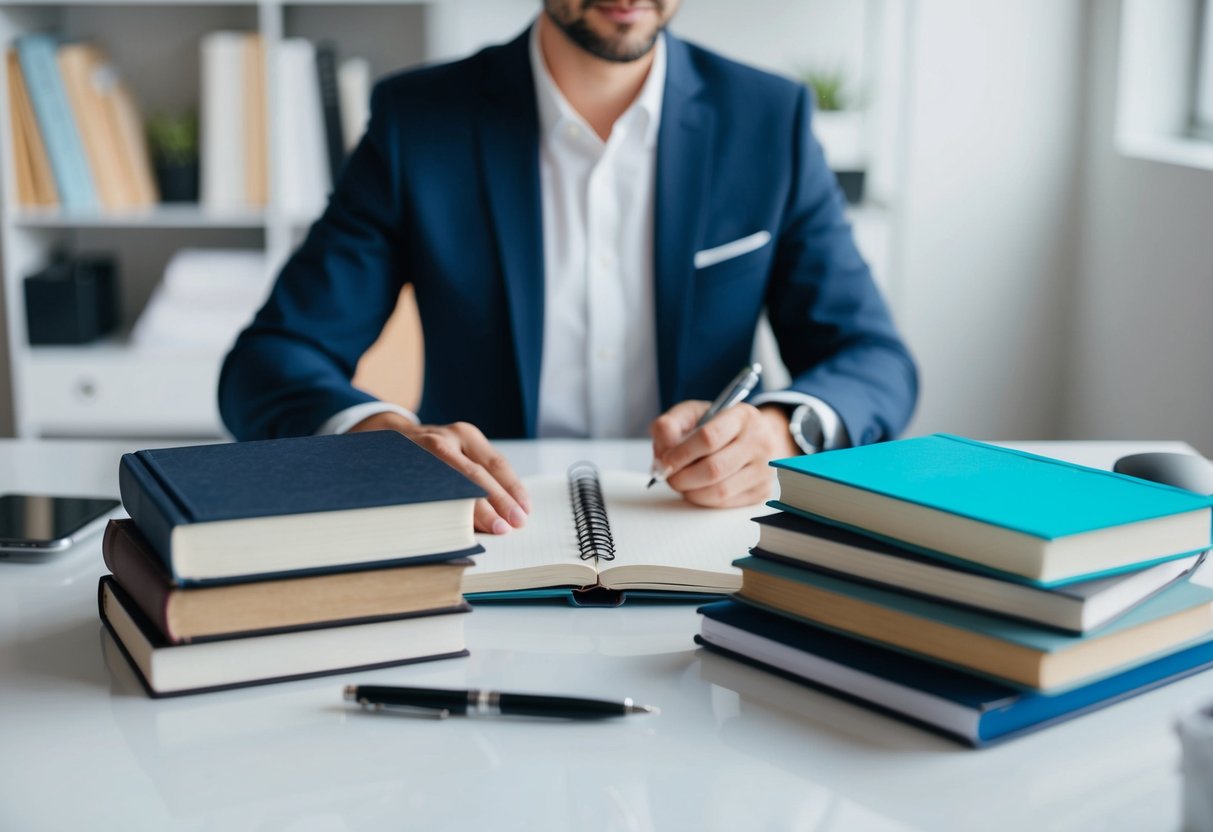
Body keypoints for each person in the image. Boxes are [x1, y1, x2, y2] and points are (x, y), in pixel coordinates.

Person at [218, 0, 918, 535]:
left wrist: (777, 430)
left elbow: (872, 359)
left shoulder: (767, 119)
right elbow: (272, 359)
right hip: (485, 535)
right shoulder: (419, 121)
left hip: (700, 543)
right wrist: (379, 439)